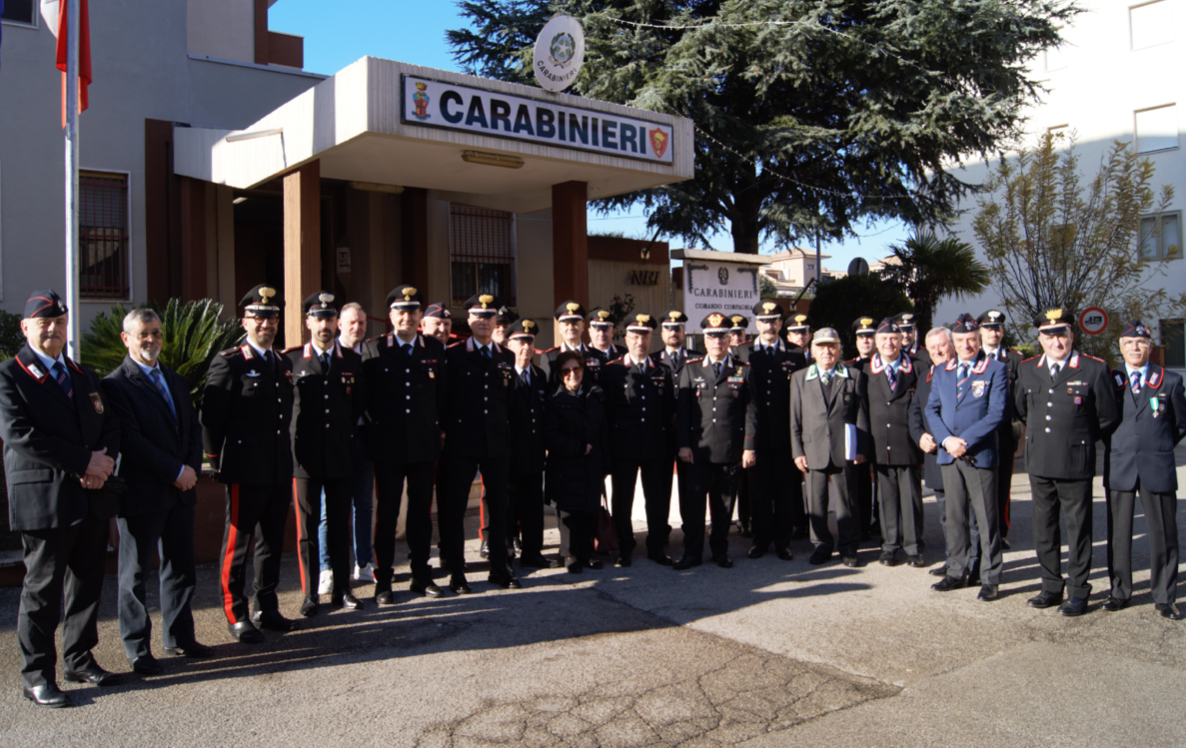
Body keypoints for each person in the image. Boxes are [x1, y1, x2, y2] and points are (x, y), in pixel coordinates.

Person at [0, 290, 122, 707]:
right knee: (42, 589)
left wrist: (101, 464)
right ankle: (36, 675)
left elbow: (109, 425)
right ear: (26, 327)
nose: (53, 328)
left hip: (90, 495)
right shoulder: (9, 375)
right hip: (45, 499)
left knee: (86, 582)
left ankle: (79, 657)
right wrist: (83, 463)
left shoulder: (83, 375)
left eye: (59, 321)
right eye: (44, 321)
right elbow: (21, 436)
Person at [102, 308, 211, 677]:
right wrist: (175, 471)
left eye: (157, 333)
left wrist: (192, 469)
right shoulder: (116, 385)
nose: (152, 340)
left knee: (180, 569)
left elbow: (192, 429)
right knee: (134, 576)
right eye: (144, 334)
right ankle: (137, 650)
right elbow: (131, 441)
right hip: (143, 493)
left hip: (181, 491)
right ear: (126, 339)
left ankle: (180, 636)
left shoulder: (175, 380)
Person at [201, 284, 297, 642]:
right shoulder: (229, 361)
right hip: (244, 466)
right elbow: (211, 417)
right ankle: (236, 612)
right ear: (245, 321)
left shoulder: (281, 362)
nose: (266, 324)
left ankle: (267, 606)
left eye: (271, 318)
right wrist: (215, 460)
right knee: (238, 541)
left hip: (275, 465)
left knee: (271, 541)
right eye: (259, 317)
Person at [1015, 307, 1119, 616]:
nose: (1055, 341)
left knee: (1078, 530)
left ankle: (1078, 592)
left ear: (1072, 335)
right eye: (1049, 335)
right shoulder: (1028, 369)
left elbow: (1107, 417)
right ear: (1040, 338)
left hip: (1075, 461)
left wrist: (1079, 440)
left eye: (1061, 334)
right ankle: (1050, 586)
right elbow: (1021, 409)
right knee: (1044, 528)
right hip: (1039, 461)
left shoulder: (1093, 369)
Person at [362, 285, 449, 600]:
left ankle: (420, 576)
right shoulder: (374, 349)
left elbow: (442, 398)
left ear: (419, 317)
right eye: (401, 311)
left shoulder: (434, 349)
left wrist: (439, 431)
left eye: (413, 311)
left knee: (421, 514)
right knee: (386, 514)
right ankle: (384, 579)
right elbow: (366, 400)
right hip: (388, 445)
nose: (407, 317)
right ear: (390, 317)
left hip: (424, 444)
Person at [285, 292, 366, 616]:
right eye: (318, 318)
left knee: (338, 524)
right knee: (307, 528)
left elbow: (357, 405)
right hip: (304, 458)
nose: (324, 324)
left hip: (340, 454)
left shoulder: (352, 361)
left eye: (329, 318)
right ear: (308, 322)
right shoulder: (291, 360)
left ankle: (343, 589)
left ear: (336, 322)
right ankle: (310, 594)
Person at [1102, 320, 1186, 619]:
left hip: (1157, 464)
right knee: (1118, 533)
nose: (1135, 348)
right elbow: (1101, 421)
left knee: (1164, 533)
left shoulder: (1170, 380)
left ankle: (1164, 596)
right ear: (1121, 347)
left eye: (1141, 343)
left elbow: (1180, 424)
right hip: (1120, 464)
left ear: (1150, 347)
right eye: (1128, 343)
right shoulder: (1111, 379)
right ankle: (1119, 591)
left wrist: (1159, 444)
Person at [438, 293, 520, 590]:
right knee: (455, 507)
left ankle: (500, 566)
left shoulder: (506, 356)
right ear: (468, 320)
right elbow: (443, 399)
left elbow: (507, 401)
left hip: (496, 440)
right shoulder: (453, 355)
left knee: (499, 506)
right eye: (478, 317)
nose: (484, 322)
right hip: (461, 440)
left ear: (496, 321)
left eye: (489, 317)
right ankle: (457, 571)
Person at [926, 314, 1009, 601]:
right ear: (954, 343)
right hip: (950, 455)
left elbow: (996, 413)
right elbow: (931, 410)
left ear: (979, 340)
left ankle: (990, 576)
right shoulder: (942, 371)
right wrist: (947, 441)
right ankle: (956, 571)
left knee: (986, 519)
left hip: (979, 455)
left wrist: (966, 441)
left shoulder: (995, 369)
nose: (966, 345)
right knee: (955, 517)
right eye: (960, 340)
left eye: (971, 340)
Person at [674, 313, 759, 569]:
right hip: (698, 451)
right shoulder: (691, 369)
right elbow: (684, 412)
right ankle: (692, 553)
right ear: (704, 339)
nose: (717, 342)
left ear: (729, 339)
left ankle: (720, 551)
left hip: (729, 450)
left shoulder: (743, 370)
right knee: (695, 505)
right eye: (712, 337)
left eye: (722, 336)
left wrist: (748, 446)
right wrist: (684, 444)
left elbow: (751, 412)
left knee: (723, 506)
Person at [790, 327, 869, 567]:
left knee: (847, 502)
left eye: (832, 347)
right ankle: (821, 545)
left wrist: (861, 448)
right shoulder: (800, 377)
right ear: (812, 350)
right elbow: (794, 418)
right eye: (822, 347)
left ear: (839, 350)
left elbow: (861, 415)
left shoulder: (853, 375)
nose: (827, 351)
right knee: (817, 501)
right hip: (813, 448)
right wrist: (797, 451)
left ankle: (848, 548)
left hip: (845, 447)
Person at [603, 313, 677, 566]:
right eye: (635, 336)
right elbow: (607, 411)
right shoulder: (612, 371)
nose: (640, 341)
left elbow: (668, 410)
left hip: (655, 446)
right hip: (623, 446)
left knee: (657, 498)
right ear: (626, 337)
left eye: (645, 336)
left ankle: (656, 546)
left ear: (651, 338)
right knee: (622, 500)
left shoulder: (663, 371)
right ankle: (625, 546)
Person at [742, 300, 807, 558]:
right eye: (764, 321)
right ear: (757, 323)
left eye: (774, 321)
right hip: (756, 435)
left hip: (785, 436)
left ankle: (783, 542)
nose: (769, 325)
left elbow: (801, 397)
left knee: (784, 491)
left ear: (781, 323)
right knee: (758, 492)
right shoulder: (744, 352)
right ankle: (761, 539)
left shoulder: (794, 353)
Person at [317, 301, 374, 595]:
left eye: (362, 323)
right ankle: (326, 568)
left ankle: (364, 562)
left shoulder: (371, 353)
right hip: (334, 442)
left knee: (363, 504)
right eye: (352, 322)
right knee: (329, 509)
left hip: (363, 439)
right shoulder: (330, 355)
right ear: (340, 324)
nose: (358, 327)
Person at [864, 318, 925, 568]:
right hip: (880, 444)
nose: (889, 343)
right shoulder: (865, 370)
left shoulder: (919, 368)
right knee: (885, 498)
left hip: (908, 442)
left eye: (894, 338)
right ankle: (889, 545)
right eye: (884, 339)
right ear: (876, 344)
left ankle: (913, 547)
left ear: (902, 341)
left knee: (911, 498)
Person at [545, 350, 611, 573]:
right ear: (559, 374)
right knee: (568, 512)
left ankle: (586, 553)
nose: (572, 374)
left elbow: (603, 431)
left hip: (592, 464)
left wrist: (605, 463)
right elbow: (550, 435)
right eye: (566, 370)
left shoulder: (595, 394)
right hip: (566, 465)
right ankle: (569, 554)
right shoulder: (554, 399)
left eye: (576, 369)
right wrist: (577, 448)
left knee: (589, 509)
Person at [503, 319, 558, 569]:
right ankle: (504, 555)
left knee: (533, 507)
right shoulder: (502, 372)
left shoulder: (539, 375)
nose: (525, 347)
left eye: (529, 342)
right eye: (520, 342)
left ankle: (532, 552)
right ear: (508, 344)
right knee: (507, 507)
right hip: (509, 453)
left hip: (534, 454)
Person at [909, 327, 956, 577]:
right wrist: (920, 436)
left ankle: (976, 561)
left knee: (969, 515)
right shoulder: (926, 377)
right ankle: (953, 559)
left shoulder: (965, 373)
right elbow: (915, 411)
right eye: (933, 347)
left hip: (961, 456)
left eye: (942, 345)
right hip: (936, 457)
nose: (938, 351)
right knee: (946, 515)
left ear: (952, 345)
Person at [977, 309, 1024, 548]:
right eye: (988, 328)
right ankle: (979, 530)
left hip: (1005, 431)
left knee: (1003, 483)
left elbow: (1022, 397)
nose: (992, 333)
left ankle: (1000, 532)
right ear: (980, 332)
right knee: (978, 482)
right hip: (977, 431)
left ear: (1002, 332)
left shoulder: (1015, 360)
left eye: (996, 329)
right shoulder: (972, 357)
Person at [847, 316, 878, 541]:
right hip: (861, 431)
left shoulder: (886, 365)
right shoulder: (849, 367)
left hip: (883, 431)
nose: (866, 341)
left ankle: (885, 524)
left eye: (870, 336)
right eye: (861, 337)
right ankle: (863, 525)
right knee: (861, 482)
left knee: (886, 482)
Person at [540, 301, 603, 387]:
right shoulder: (550, 357)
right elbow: (546, 388)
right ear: (559, 328)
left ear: (583, 326)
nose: (570, 328)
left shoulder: (598, 355)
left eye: (575, 324)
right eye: (566, 324)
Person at [653, 310, 691, 376]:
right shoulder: (653, 359)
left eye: (677, 330)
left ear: (683, 334)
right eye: (669, 330)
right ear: (662, 335)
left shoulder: (696, 358)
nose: (673, 333)